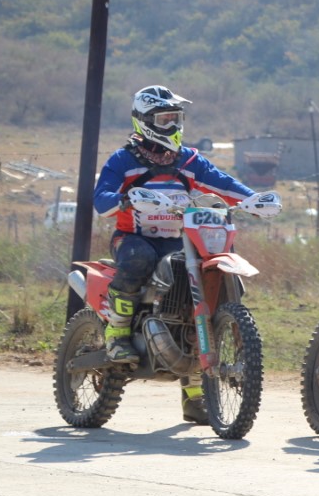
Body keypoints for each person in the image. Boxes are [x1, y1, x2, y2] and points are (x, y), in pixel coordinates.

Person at [93, 85, 278, 424]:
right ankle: (117, 332)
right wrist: (125, 199)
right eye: (165, 119)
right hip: (134, 238)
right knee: (138, 259)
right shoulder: (124, 160)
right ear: (145, 121)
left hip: (182, 240)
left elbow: (223, 183)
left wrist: (253, 200)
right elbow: (101, 199)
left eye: (175, 118)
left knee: (203, 291)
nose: (172, 125)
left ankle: (195, 396)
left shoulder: (189, 160)